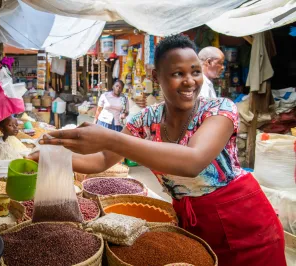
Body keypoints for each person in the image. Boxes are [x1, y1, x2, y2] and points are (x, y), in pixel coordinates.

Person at [31, 35, 286, 266]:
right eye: (177, 73)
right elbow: (101, 160)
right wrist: (54, 156)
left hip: (245, 223)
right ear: (156, 77)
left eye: (195, 72)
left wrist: (109, 138)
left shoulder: (219, 109)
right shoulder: (145, 119)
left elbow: (193, 161)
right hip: (193, 222)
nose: (189, 81)